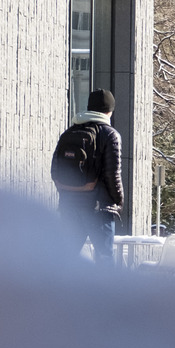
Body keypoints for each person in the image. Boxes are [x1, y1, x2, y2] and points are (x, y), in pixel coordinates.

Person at [51, 89, 123, 265]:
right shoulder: (110, 134)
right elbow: (112, 173)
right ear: (109, 111)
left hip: (69, 206)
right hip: (98, 208)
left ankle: (59, 291)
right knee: (104, 258)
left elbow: (55, 170)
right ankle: (104, 293)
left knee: (66, 258)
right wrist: (117, 200)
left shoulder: (69, 132)